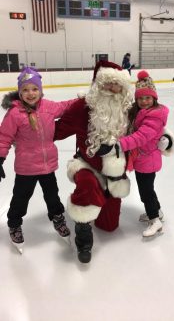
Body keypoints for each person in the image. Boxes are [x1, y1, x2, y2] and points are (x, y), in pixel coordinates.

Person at [54, 60, 134, 263]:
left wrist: (165, 139)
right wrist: (25, 132)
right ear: (98, 85)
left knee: (109, 225)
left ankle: (103, 200)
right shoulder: (82, 108)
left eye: (117, 85)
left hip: (114, 172)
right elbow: (57, 130)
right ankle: (84, 241)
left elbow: (148, 128)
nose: (113, 89)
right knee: (88, 189)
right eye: (108, 83)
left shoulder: (126, 108)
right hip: (87, 165)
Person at [0, 67, 73, 253]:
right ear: (20, 92)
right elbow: (4, 137)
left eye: (34, 89)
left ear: (40, 90)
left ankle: (58, 219)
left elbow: (66, 106)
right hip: (26, 168)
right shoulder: (15, 113)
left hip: (48, 166)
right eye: (25, 90)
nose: (30, 93)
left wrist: (84, 100)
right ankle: (14, 224)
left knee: (52, 196)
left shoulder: (48, 107)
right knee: (20, 199)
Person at [97, 70, 171, 238]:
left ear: (154, 98)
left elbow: (141, 136)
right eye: (140, 98)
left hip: (148, 159)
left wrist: (118, 145)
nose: (144, 101)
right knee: (148, 189)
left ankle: (155, 220)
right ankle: (157, 212)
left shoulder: (154, 115)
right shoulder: (140, 111)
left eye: (148, 98)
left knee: (146, 192)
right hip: (143, 159)